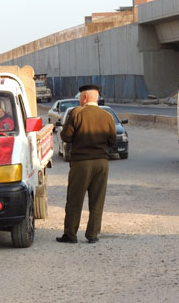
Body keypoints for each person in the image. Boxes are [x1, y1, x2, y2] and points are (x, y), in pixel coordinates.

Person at [56, 84, 116, 244]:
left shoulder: (77, 113)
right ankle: (93, 234)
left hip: (82, 163)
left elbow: (66, 137)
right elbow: (112, 140)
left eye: (80, 98)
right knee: (97, 200)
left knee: (75, 199)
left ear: (85, 98)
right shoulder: (107, 116)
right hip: (102, 163)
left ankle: (70, 234)